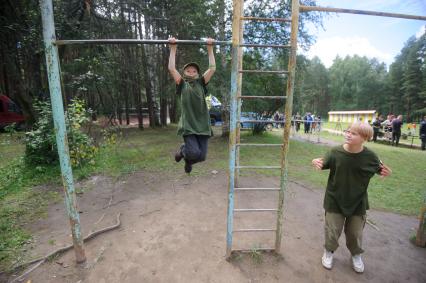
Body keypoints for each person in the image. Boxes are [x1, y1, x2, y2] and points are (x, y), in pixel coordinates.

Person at [311, 122, 392, 273]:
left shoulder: (371, 156)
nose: (348, 134)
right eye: (347, 131)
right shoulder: (335, 152)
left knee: (355, 233)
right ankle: (329, 252)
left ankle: (356, 255)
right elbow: (321, 163)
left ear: (365, 138)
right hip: (334, 199)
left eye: (353, 133)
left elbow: (382, 169)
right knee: (332, 230)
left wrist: (387, 172)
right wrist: (314, 161)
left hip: (358, 202)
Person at [168, 37, 216, 173]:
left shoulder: (201, 82)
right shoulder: (182, 84)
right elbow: (171, 68)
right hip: (188, 124)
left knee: (201, 157)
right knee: (194, 152)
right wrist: (173, 48)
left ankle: (187, 159)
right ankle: (184, 151)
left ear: (198, 74)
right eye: (188, 71)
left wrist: (210, 49)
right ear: (184, 73)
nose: (191, 72)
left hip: (203, 125)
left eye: (194, 71)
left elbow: (212, 69)